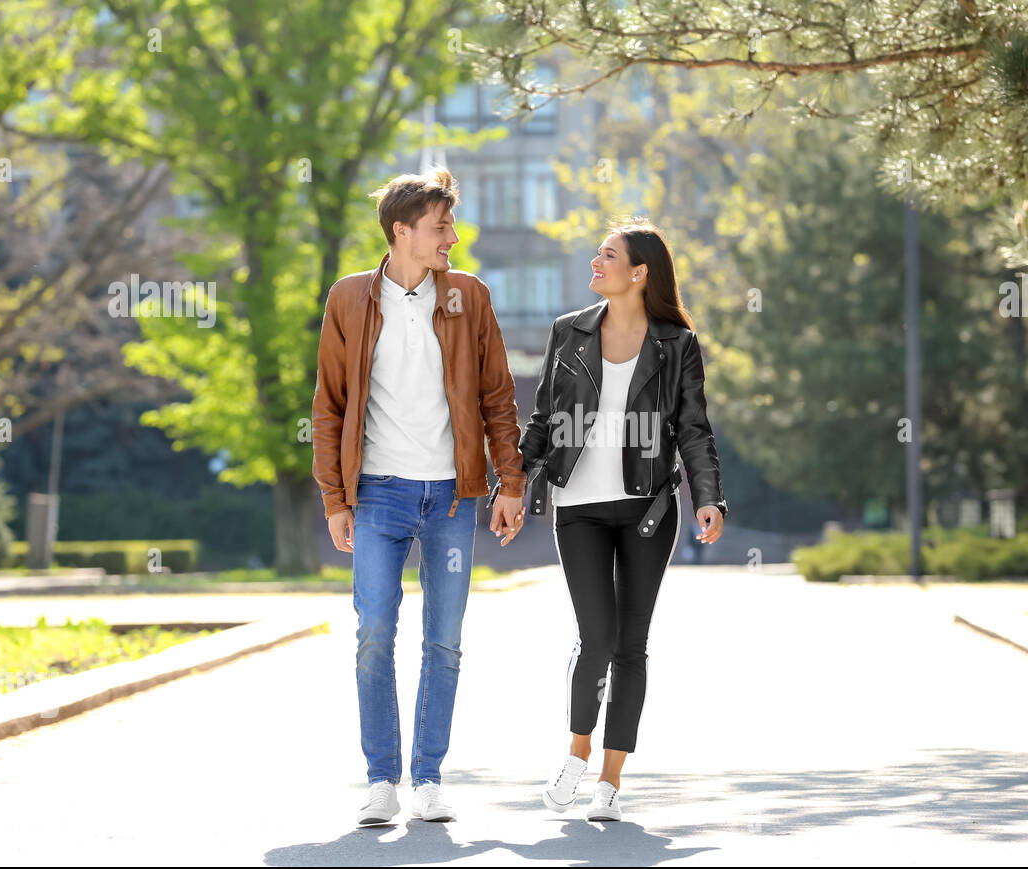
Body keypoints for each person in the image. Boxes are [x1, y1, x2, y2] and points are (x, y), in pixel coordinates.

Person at [310, 168, 527, 827]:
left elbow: (497, 397)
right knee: (375, 631)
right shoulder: (351, 299)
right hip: (377, 496)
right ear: (402, 232)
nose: (453, 239)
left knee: (445, 640)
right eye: (441, 228)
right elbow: (328, 407)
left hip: (453, 498)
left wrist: (509, 482)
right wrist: (334, 498)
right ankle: (382, 779)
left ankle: (428, 778)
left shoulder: (468, 296)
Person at [519, 217, 727, 822]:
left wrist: (708, 496)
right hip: (578, 507)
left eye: (607, 255)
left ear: (639, 272)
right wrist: (511, 484)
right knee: (598, 639)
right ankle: (577, 751)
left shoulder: (675, 345)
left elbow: (692, 428)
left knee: (631, 645)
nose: (595, 262)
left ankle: (611, 779)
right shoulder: (569, 333)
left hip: (647, 510)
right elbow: (542, 422)